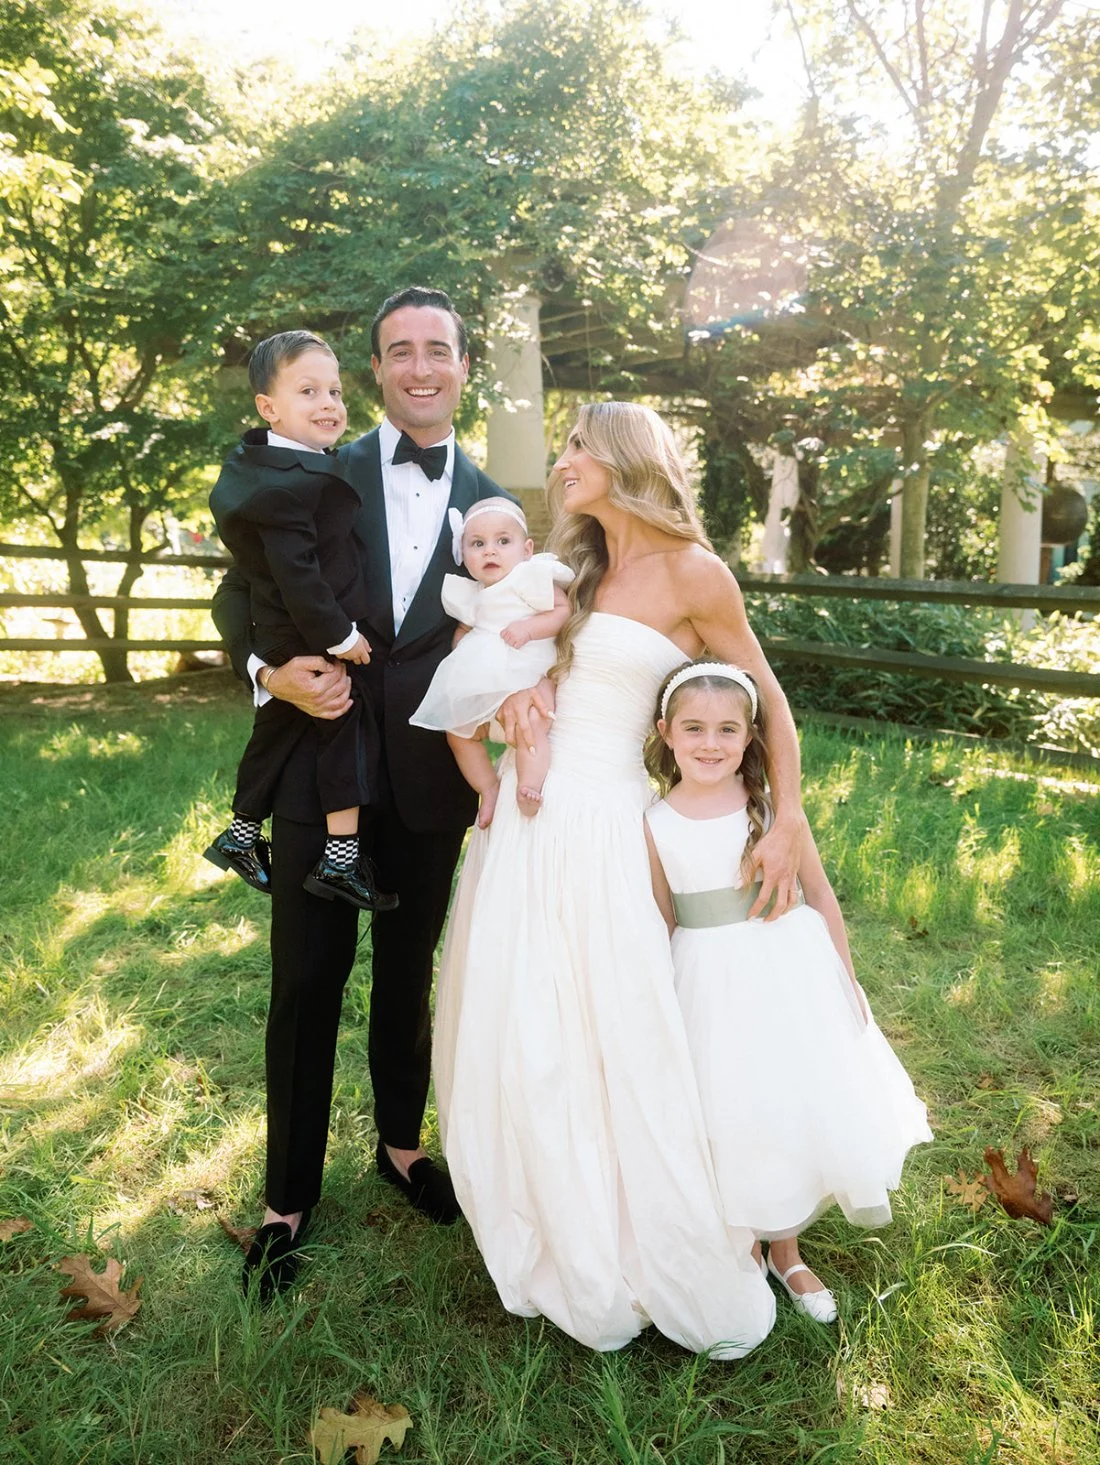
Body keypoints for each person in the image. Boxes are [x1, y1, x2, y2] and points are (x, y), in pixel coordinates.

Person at [433, 400, 808, 1358]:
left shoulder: (695, 572)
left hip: (604, 823)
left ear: (622, 457)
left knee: (616, 1019)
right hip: (525, 823)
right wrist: (521, 690)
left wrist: (788, 818)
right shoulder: (575, 568)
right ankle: (546, 1208)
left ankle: (642, 1226)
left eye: (576, 446)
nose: (561, 462)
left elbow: (766, 701)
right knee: (524, 1022)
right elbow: (519, 654)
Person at [212, 287, 511, 1299]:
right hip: (318, 759)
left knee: (406, 972)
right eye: (399, 351)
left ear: (462, 366)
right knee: (304, 979)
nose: (419, 367)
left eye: (438, 350)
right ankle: (286, 1197)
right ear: (375, 368)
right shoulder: (311, 464)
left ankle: (400, 1144)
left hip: (431, 773)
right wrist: (270, 671)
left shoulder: (494, 503)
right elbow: (237, 593)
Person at [644, 662, 932, 1324]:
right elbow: (662, 917)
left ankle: (787, 1249)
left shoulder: (773, 810)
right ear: (665, 731)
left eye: (727, 729)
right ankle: (742, 1238)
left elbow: (821, 895)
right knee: (729, 1106)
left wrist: (845, 981)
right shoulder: (652, 822)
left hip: (784, 970)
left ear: (750, 737)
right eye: (694, 728)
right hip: (704, 978)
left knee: (788, 1099)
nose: (710, 743)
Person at [203, 330, 393, 913]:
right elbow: (296, 575)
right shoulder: (285, 485)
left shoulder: (273, 466)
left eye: (335, 391)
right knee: (343, 725)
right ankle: (340, 860)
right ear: (268, 407)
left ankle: (239, 836)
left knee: (275, 731)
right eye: (308, 391)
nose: (329, 403)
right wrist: (340, 636)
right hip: (309, 634)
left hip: (288, 630)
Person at [409, 498, 573, 824]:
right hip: (485, 677)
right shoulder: (470, 594)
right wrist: (460, 651)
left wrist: (529, 628)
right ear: (463, 554)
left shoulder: (529, 577)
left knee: (533, 723)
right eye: (478, 544)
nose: (490, 552)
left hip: (528, 669)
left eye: (503, 541)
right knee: (457, 732)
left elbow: (563, 609)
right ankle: (488, 788)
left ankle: (530, 785)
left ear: (526, 550)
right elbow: (464, 629)